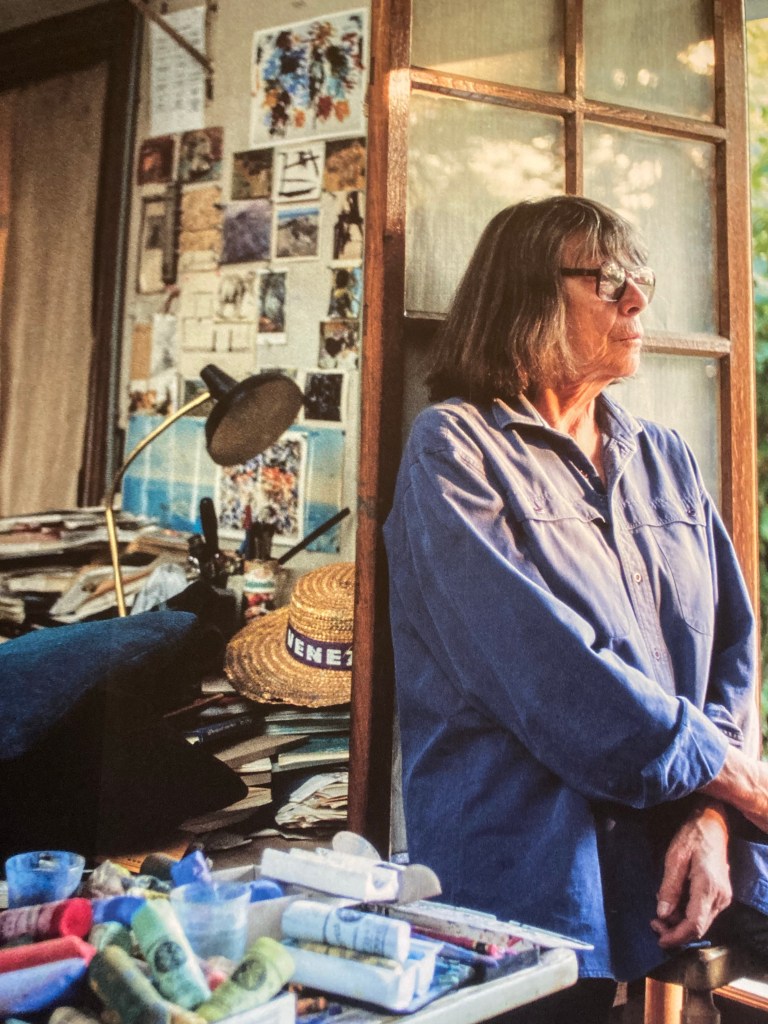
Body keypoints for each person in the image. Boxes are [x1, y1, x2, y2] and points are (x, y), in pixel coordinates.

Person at [383, 195, 768, 1023]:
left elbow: (733, 649)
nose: (638, 298)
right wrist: (737, 779)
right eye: (610, 279)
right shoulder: (454, 450)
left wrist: (713, 815)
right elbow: (546, 673)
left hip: (680, 856)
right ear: (527, 294)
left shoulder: (664, 456)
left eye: (641, 276)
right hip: (533, 875)